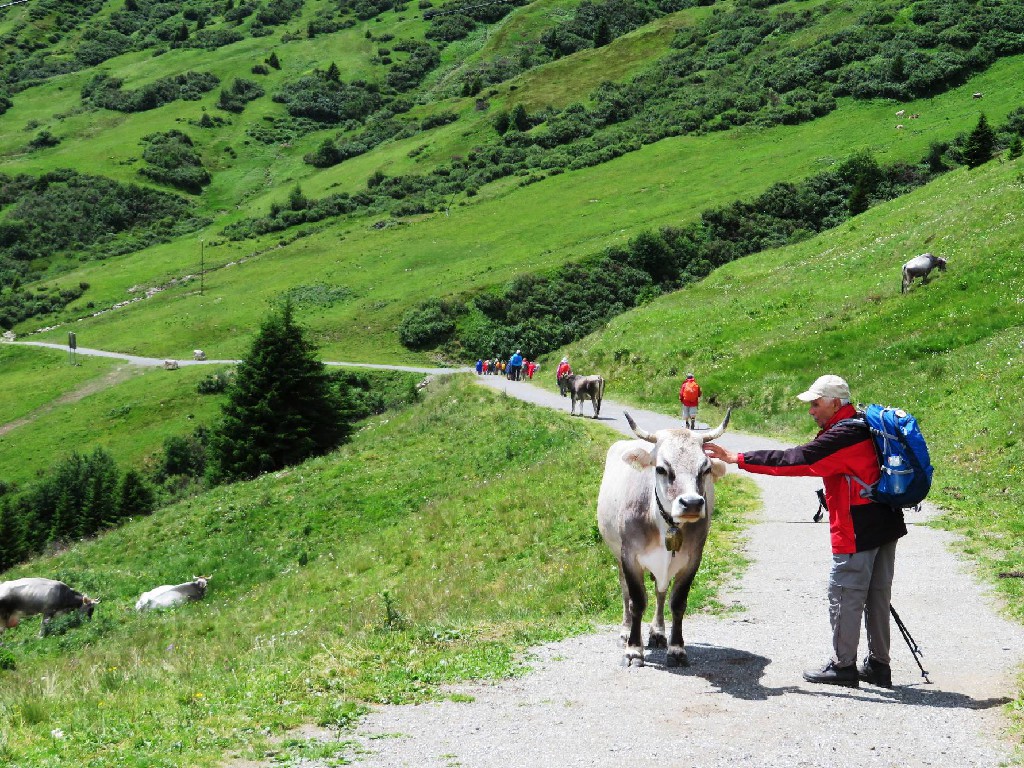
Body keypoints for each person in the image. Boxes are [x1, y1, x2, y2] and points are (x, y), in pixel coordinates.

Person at [703, 374, 906, 689]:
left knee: (845, 595)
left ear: (835, 403)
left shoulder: (841, 436)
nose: (811, 410)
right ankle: (879, 666)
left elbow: (794, 460)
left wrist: (738, 459)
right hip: (885, 521)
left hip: (856, 528)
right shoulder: (864, 425)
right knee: (878, 597)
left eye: (815, 403)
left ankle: (843, 667)